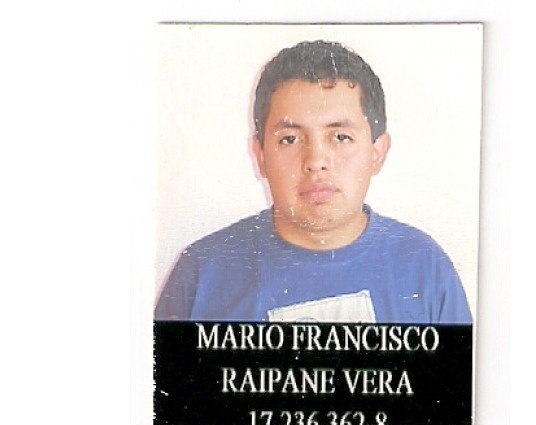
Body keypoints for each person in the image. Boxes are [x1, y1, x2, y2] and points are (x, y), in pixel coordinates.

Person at [155, 40, 472, 324]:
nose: (316, 160)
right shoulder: (200, 275)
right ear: (260, 155)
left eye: (340, 137)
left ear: (377, 152)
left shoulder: (425, 268)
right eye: (290, 139)